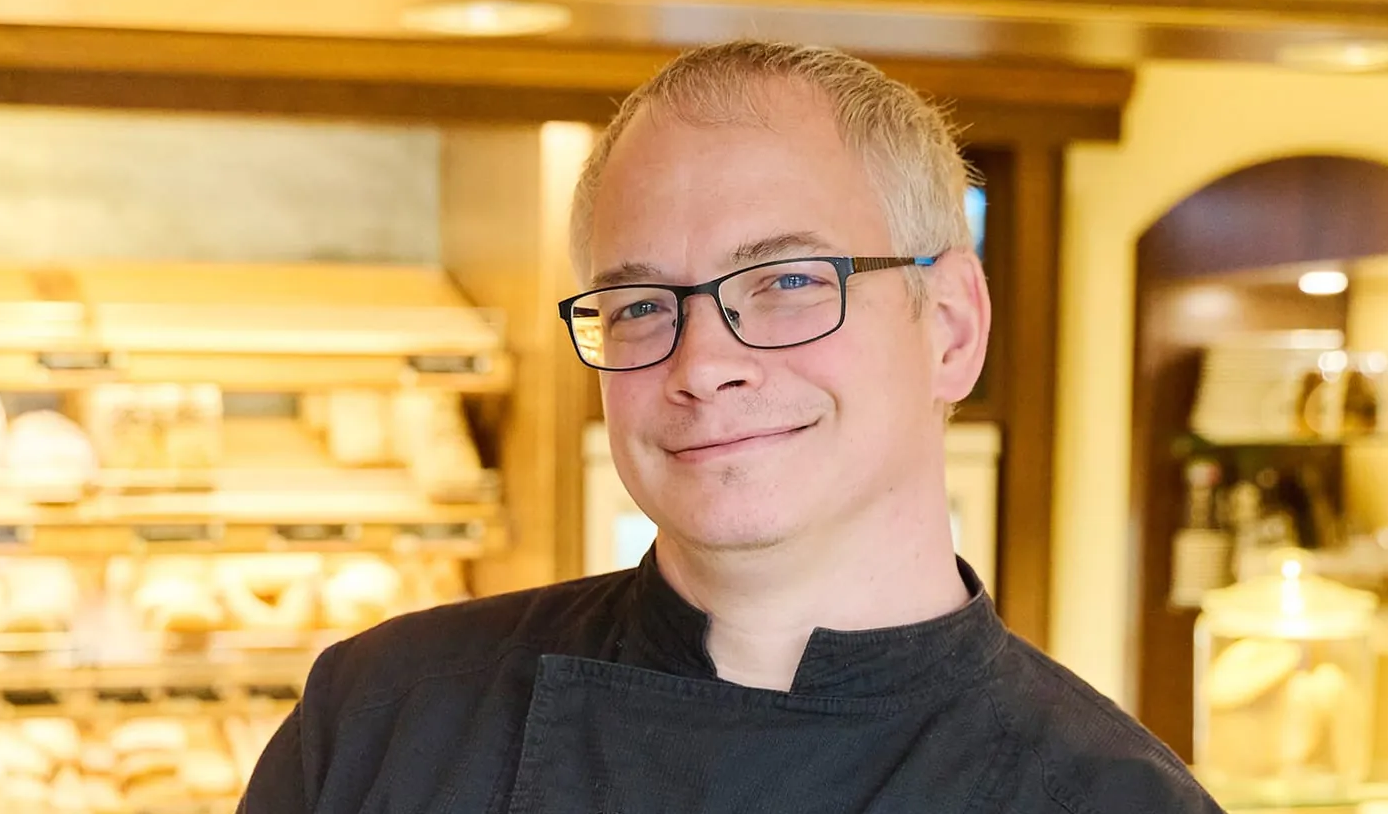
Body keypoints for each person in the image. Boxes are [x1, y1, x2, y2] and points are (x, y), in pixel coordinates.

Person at [239, 40, 1219, 813]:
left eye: (788, 281)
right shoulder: (379, 719)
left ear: (952, 328)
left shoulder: (1107, 797)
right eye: (638, 305)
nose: (703, 362)